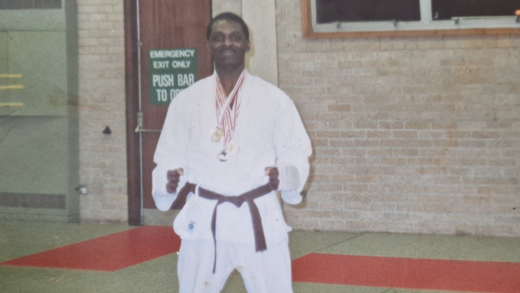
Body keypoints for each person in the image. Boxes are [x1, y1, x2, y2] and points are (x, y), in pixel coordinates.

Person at [151, 12, 312, 293]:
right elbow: (168, 156)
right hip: (204, 220)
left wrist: (284, 177)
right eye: (219, 37)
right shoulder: (186, 101)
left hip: (259, 218)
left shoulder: (275, 99)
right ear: (208, 45)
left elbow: (296, 152)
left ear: (248, 45)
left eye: (235, 37)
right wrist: (167, 179)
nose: (228, 43)